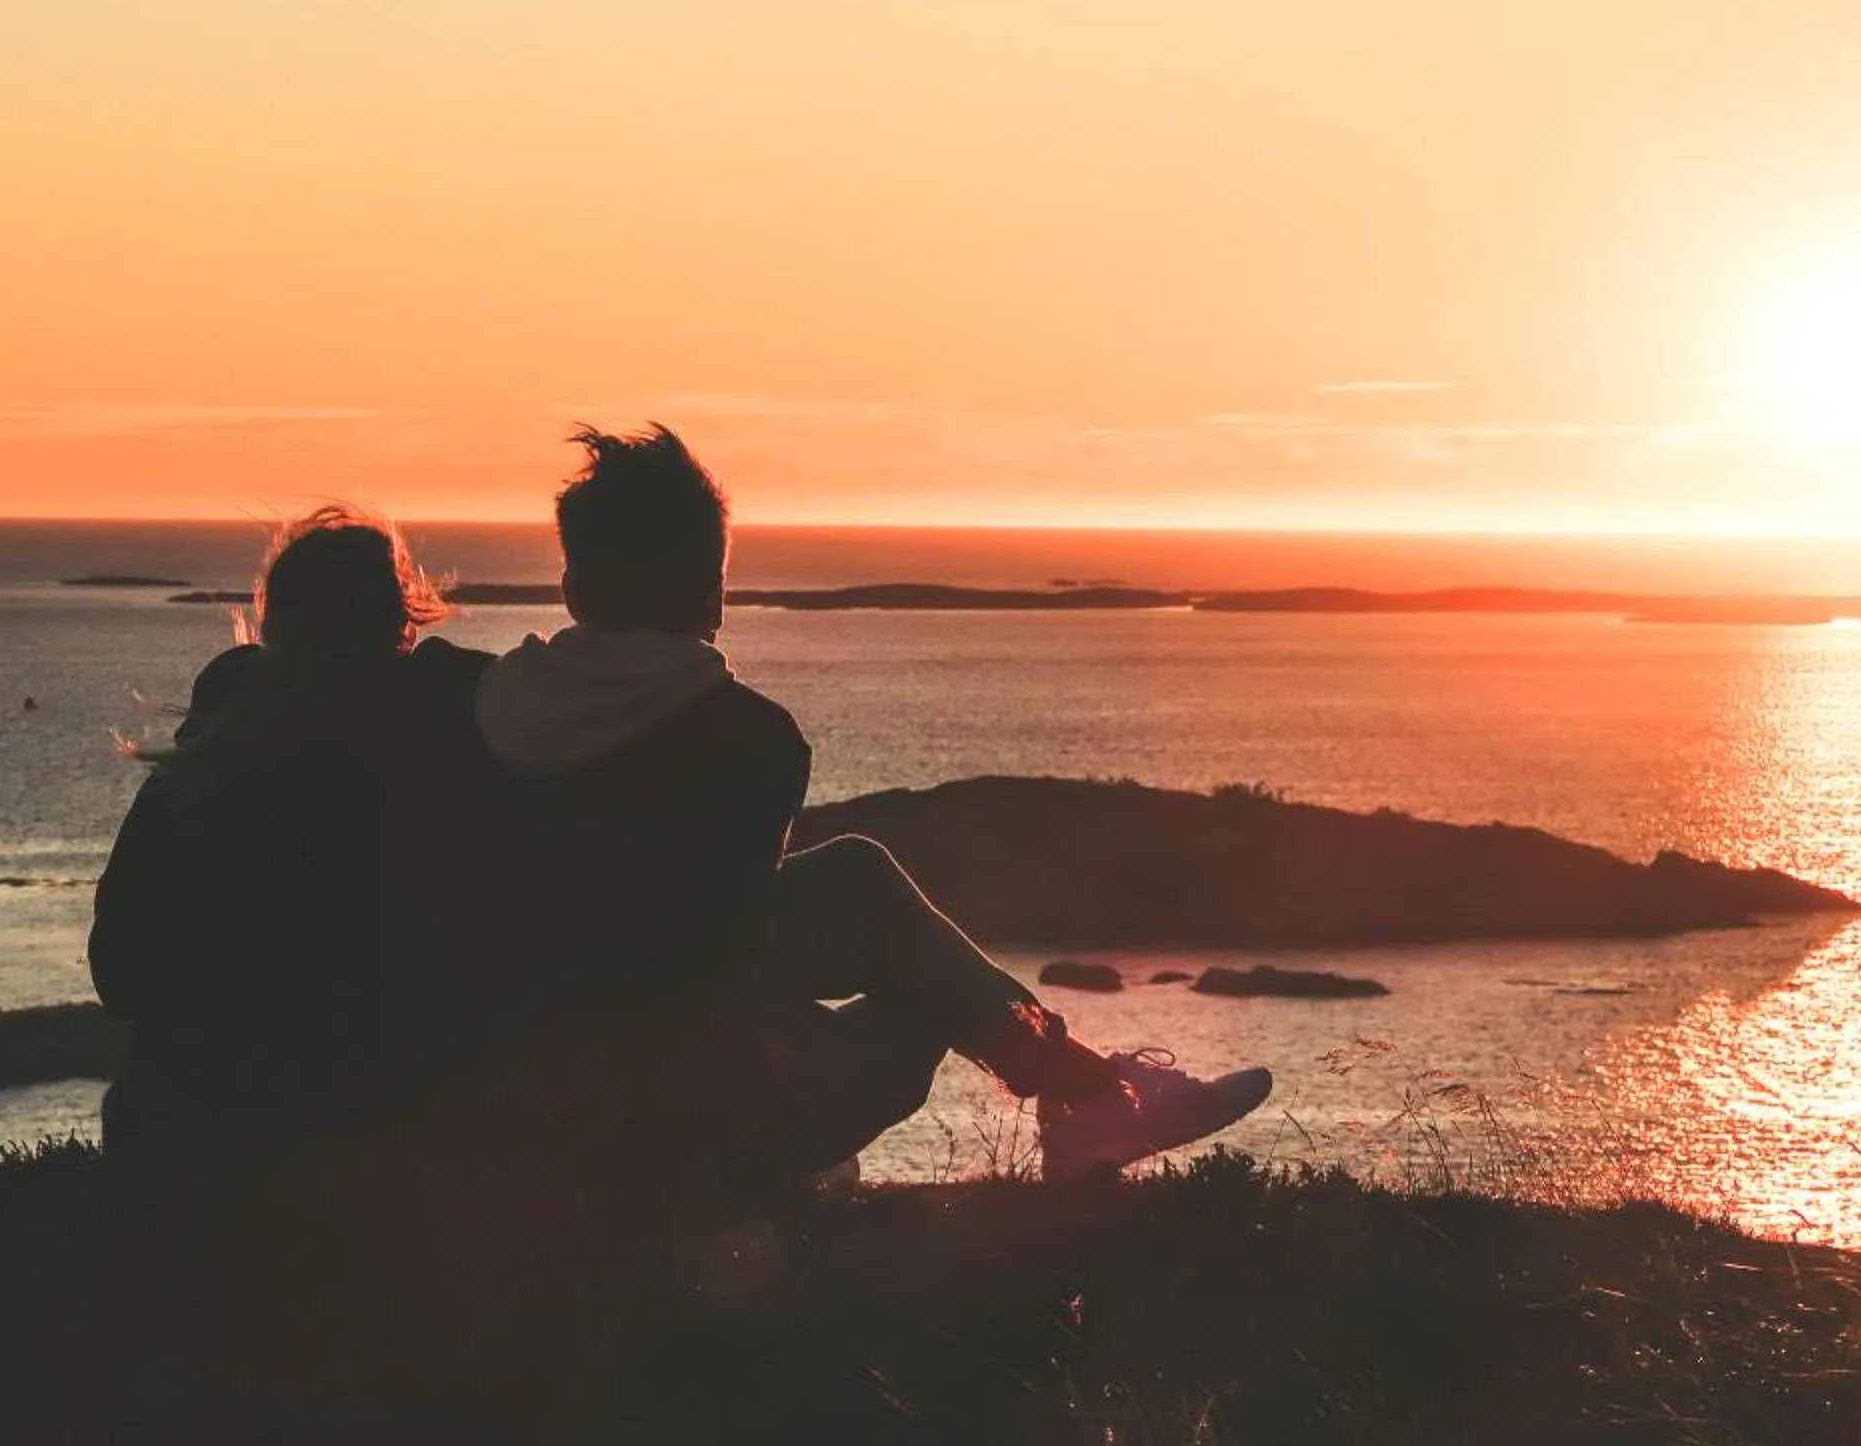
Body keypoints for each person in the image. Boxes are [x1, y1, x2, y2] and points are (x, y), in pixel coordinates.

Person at [460, 424, 1270, 1197]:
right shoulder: (750, 740)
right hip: (678, 1128)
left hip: (510, 1085)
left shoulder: (471, 705)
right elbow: (718, 973)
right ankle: (1090, 1107)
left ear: (571, 589)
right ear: (714, 591)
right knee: (921, 983)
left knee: (853, 876)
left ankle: (1088, 1093)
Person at [90, 507, 486, 1180]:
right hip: (360, 1159)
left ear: (275, 620)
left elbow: (117, 970)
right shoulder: (423, 769)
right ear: (401, 626)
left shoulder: (195, 772)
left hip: (178, 1152)